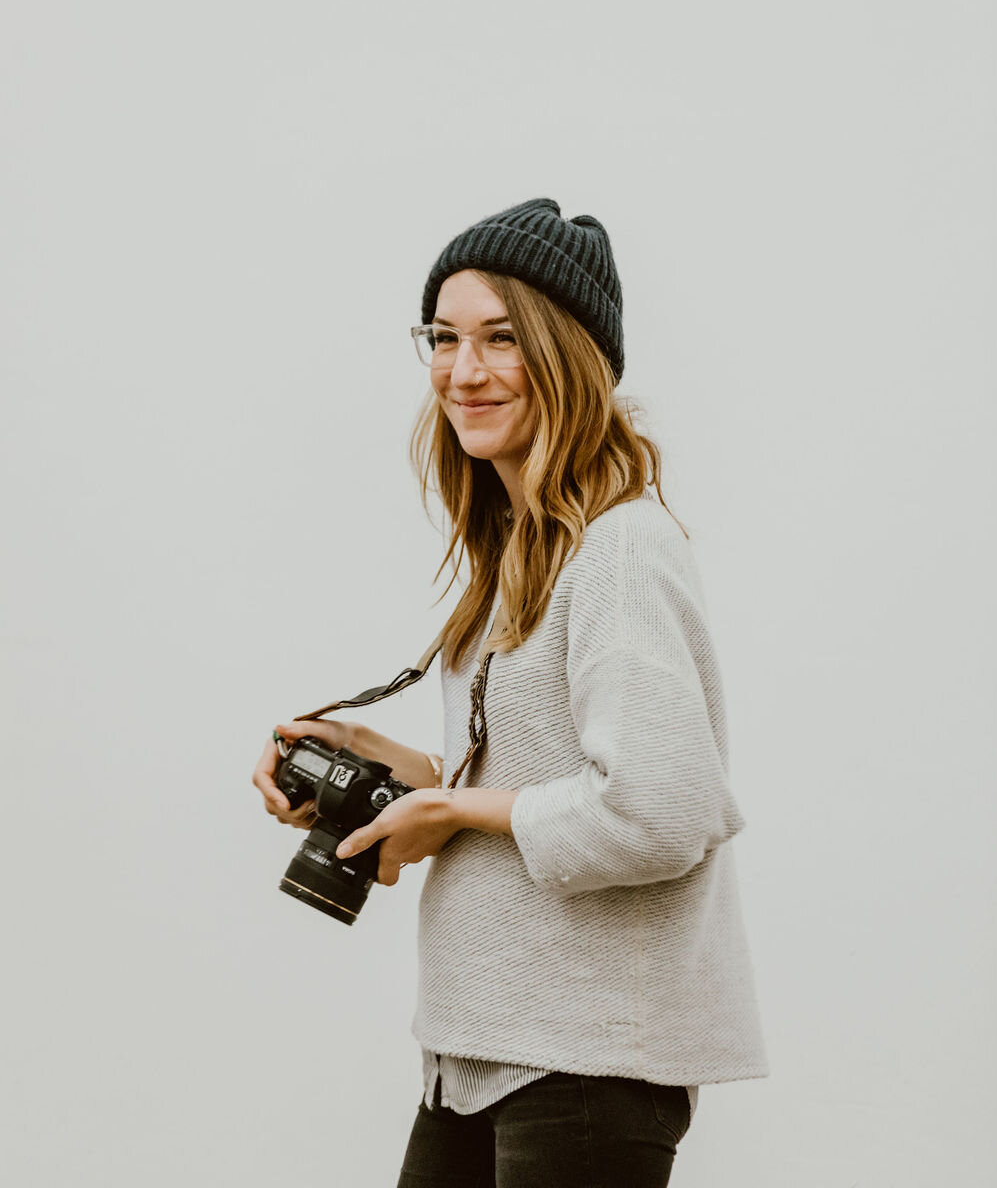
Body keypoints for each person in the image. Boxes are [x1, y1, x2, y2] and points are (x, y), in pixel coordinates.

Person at [252, 198, 769, 1186]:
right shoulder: (525, 554)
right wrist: (391, 770)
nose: (463, 370)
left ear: (570, 356)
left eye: (501, 339)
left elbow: (659, 810)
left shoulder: (620, 548)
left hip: (581, 1062)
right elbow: (541, 779)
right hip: (484, 1053)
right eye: (442, 338)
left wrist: (450, 806)